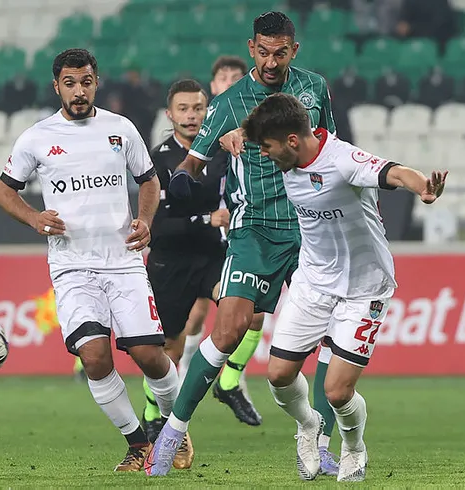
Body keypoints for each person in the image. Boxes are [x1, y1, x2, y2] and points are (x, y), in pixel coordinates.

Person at [147, 11, 339, 476]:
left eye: (280, 53)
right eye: (263, 52)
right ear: (252, 48)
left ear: (293, 50)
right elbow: (191, 163)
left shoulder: (314, 88)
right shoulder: (229, 103)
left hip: (311, 228)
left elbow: (331, 152)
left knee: (333, 333)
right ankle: (172, 432)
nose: (271, 62)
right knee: (228, 329)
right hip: (254, 229)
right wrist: (182, 180)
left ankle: (318, 442)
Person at [242, 93, 447, 481]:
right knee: (279, 374)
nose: (264, 155)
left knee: (337, 391)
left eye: (266, 147)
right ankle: (309, 425)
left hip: (364, 288)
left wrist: (423, 186)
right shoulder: (287, 157)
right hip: (313, 282)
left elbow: (394, 172)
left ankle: (354, 447)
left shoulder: (342, 160)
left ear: (291, 140)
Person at [0, 49, 180, 472]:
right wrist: (34, 218)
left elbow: (149, 182)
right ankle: (138, 444)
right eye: (70, 83)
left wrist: (146, 220)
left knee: (149, 355)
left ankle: (175, 429)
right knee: (94, 356)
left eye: (86, 82)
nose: (79, 91)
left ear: (97, 83)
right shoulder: (37, 137)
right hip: (71, 266)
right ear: (56, 86)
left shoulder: (121, 129)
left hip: (124, 260)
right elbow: (4, 192)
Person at [139, 79, 227, 467]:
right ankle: (154, 414)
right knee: (168, 350)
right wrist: (207, 219)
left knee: (245, 312)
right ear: (170, 114)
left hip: (213, 255)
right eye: (183, 109)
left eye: (198, 108)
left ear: (207, 111)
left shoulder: (222, 152)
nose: (191, 115)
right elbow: (158, 226)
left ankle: (229, 380)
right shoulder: (158, 160)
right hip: (171, 261)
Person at [177, 55, 268, 427]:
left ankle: (229, 380)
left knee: (254, 314)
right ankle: (181, 380)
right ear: (212, 86)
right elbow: (183, 178)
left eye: (236, 76)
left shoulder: (258, 126)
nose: (229, 82)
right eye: (222, 77)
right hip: (199, 240)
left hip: (238, 235)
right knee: (193, 317)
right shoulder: (204, 132)